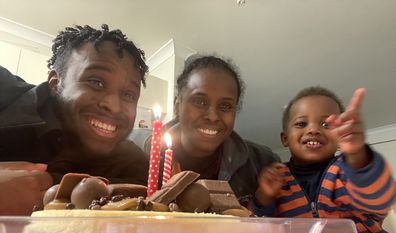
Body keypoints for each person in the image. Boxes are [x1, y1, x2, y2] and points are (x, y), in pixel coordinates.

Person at [0, 24, 150, 215]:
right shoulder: (6, 93)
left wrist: (49, 191)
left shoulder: (134, 163)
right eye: (96, 82)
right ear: (55, 83)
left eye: (129, 95)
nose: (114, 106)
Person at [137, 55, 280, 207]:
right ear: (177, 105)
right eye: (199, 101)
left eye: (225, 106)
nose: (213, 116)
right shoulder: (137, 153)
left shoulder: (261, 163)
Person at [253, 86, 396, 233]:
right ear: (285, 138)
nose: (314, 130)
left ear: (340, 137)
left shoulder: (346, 169)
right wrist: (264, 195)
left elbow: (380, 200)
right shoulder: (279, 178)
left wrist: (357, 155)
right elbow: (258, 226)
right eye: (301, 124)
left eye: (326, 124)